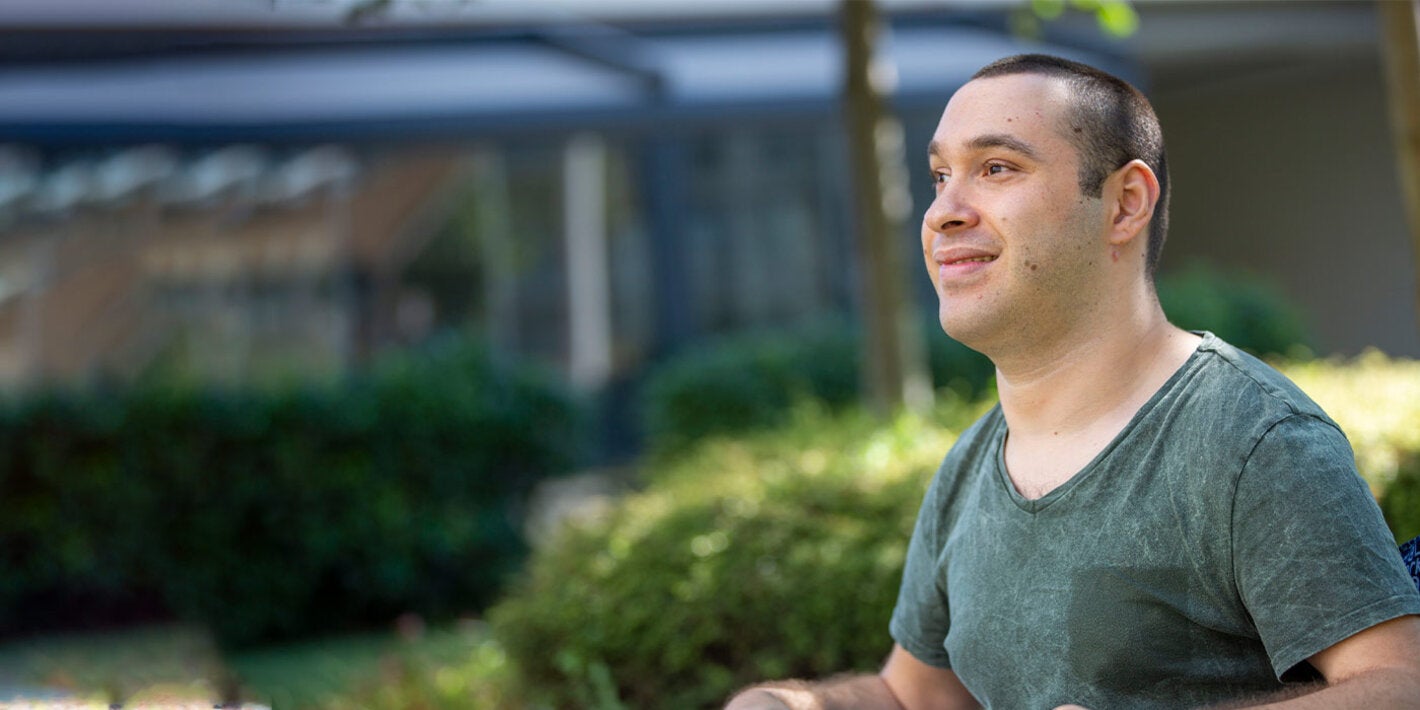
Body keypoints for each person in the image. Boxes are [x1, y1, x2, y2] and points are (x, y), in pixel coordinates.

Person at [725, 53, 1420, 710]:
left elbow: (1399, 685)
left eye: (996, 168)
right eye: (939, 176)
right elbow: (918, 695)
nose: (942, 212)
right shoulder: (970, 465)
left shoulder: (1252, 441)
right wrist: (795, 703)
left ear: (1125, 204)